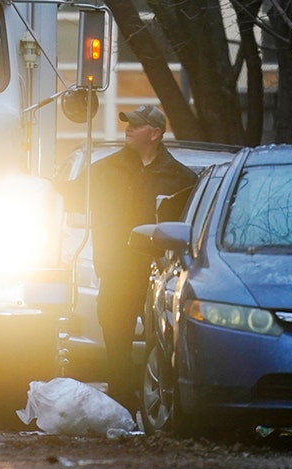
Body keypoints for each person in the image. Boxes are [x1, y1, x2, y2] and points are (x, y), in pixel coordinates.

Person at [63, 105, 196, 414]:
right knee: (117, 344)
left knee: (161, 346)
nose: (128, 129)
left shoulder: (180, 178)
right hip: (116, 272)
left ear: (154, 133)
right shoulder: (103, 170)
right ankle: (120, 407)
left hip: (158, 277)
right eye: (128, 124)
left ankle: (159, 409)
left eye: (135, 125)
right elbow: (71, 196)